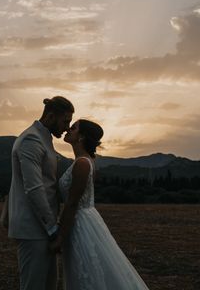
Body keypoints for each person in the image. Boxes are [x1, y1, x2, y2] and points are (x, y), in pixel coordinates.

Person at [53, 119, 149, 290]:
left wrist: (60, 236)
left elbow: (72, 203)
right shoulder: (86, 160)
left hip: (80, 223)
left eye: (73, 128)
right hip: (86, 219)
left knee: (86, 270)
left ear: (81, 137)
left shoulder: (82, 163)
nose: (68, 129)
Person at [7, 96, 74, 290]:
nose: (67, 127)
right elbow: (34, 189)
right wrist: (53, 230)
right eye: (65, 121)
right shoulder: (31, 139)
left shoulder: (43, 138)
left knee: (49, 285)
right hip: (33, 229)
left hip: (42, 229)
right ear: (51, 116)